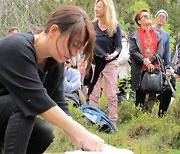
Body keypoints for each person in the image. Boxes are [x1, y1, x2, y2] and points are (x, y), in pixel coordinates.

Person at [0, 5, 105, 153]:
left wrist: (79, 139)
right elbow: (35, 99)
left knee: (44, 133)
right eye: (73, 45)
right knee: (25, 103)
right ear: (54, 31)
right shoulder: (17, 47)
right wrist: (82, 133)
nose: (73, 54)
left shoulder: (55, 63)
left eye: (78, 49)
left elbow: (60, 103)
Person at [88, 0, 122, 125]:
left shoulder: (114, 25)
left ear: (106, 9)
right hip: (95, 63)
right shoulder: (92, 25)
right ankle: (92, 120)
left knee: (112, 94)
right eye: (96, 6)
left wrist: (113, 55)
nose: (96, 9)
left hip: (110, 63)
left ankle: (112, 121)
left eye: (99, 7)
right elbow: (88, 43)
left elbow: (118, 46)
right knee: (93, 92)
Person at [129, 9, 164, 113]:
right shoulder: (134, 35)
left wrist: (150, 61)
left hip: (154, 68)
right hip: (140, 68)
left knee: (153, 92)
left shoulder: (158, 35)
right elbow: (133, 51)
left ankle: (149, 117)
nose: (148, 17)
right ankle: (138, 120)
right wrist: (145, 61)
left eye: (149, 16)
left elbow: (160, 52)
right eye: (145, 16)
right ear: (139, 21)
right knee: (140, 96)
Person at [147, 9, 174, 115]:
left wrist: (167, 67)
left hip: (159, 65)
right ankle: (142, 113)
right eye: (160, 16)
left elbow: (167, 53)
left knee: (158, 88)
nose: (161, 18)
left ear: (166, 20)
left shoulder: (166, 35)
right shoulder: (149, 30)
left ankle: (155, 114)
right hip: (147, 62)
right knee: (145, 88)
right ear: (156, 17)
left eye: (163, 17)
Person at [117, 30, 130, 102]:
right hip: (123, 72)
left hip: (122, 72)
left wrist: (115, 62)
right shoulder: (125, 44)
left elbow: (125, 57)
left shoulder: (124, 44)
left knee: (122, 92)